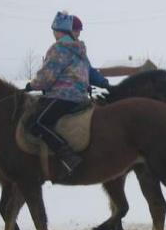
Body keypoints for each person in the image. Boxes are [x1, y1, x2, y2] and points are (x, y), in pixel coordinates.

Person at [25, 12, 91, 178]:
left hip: (64, 96)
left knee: (36, 122)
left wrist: (31, 85)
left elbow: (47, 76)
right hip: (81, 96)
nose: (53, 34)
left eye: (54, 31)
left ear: (57, 30)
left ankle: (68, 156)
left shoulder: (59, 48)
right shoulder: (79, 49)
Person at [70, 15, 111, 91]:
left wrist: (103, 82)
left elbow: (88, 70)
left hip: (80, 96)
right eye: (75, 30)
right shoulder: (58, 51)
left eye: (79, 31)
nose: (78, 34)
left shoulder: (80, 50)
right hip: (62, 97)